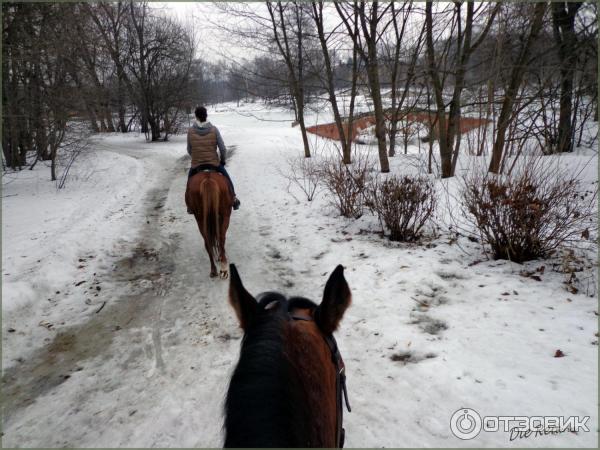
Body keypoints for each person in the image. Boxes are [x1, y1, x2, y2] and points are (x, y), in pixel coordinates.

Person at [186, 106, 240, 212]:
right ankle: (233, 198)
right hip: (213, 164)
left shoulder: (190, 131)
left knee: (189, 183)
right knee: (227, 180)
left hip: (197, 165)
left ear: (196, 116)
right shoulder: (214, 130)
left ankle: (189, 204)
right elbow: (223, 149)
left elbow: (189, 149)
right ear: (206, 116)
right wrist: (223, 160)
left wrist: (197, 157)